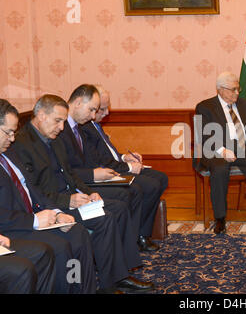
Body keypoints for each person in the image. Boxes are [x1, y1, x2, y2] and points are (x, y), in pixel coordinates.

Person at [12, 95, 156, 293]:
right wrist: (68, 201)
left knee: (118, 208)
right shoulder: (21, 145)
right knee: (104, 219)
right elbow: (33, 191)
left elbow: (70, 175)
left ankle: (121, 274)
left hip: (72, 199)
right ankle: (110, 283)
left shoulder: (53, 138)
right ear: (41, 115)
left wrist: (89, 192)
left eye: (64, 121)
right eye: (57, 121)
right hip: (55, 205)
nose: (62, 127)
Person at [0, 98, 97, 293]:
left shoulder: (9, 154)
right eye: (8, 132)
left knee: (77, 233)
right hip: (14, 226)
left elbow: (32, 189)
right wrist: (35, 220)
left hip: (32, 217)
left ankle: (83, 289)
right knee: (59, 247)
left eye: (14, 132)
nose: (12, 138)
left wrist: (55, 212)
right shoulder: (19, 147)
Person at [61, 84, 162, 252]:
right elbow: (67, 170)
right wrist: (94, 176)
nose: (96, 115)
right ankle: (130, 244)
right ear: (78, 103)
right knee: (131, 192)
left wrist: (122, 159)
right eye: (95, 109)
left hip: (90, 177)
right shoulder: (66, 129)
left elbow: (94, 157)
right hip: (79, 185)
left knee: (153, 181)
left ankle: (132, 243)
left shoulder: (78, 126)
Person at [194, 72, 246, 234]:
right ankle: (220, 218)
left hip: (241, 148)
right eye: (233, 89)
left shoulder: (245, 104)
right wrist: (222, 150)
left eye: (238, 88)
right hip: (215, 149)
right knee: (219, 170)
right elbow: (205, 134)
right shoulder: (205, 107)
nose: (237, 93)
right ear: (220, 89)